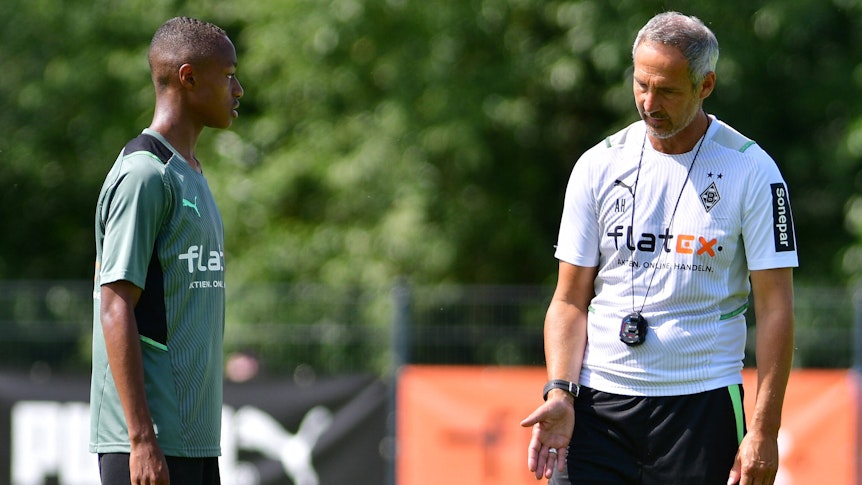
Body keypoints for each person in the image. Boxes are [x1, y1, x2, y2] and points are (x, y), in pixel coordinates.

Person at [520, 12, 797, 485]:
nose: (650, 102)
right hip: (596, 409)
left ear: (705, 84)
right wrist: (560, 393)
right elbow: (568, 300)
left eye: (667, 90)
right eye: (641, 84)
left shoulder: (753, 170)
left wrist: (764, 430)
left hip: (702, 406)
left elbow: (776, 309)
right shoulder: (597, 165)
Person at [90, 16, 244, 484]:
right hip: (148, 445)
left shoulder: (188, 171)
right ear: (188, 77)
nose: (238, 90)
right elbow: (115, 305)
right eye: (229, 75)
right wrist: (141, 440)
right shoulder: (145, 174)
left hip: (193, 441)